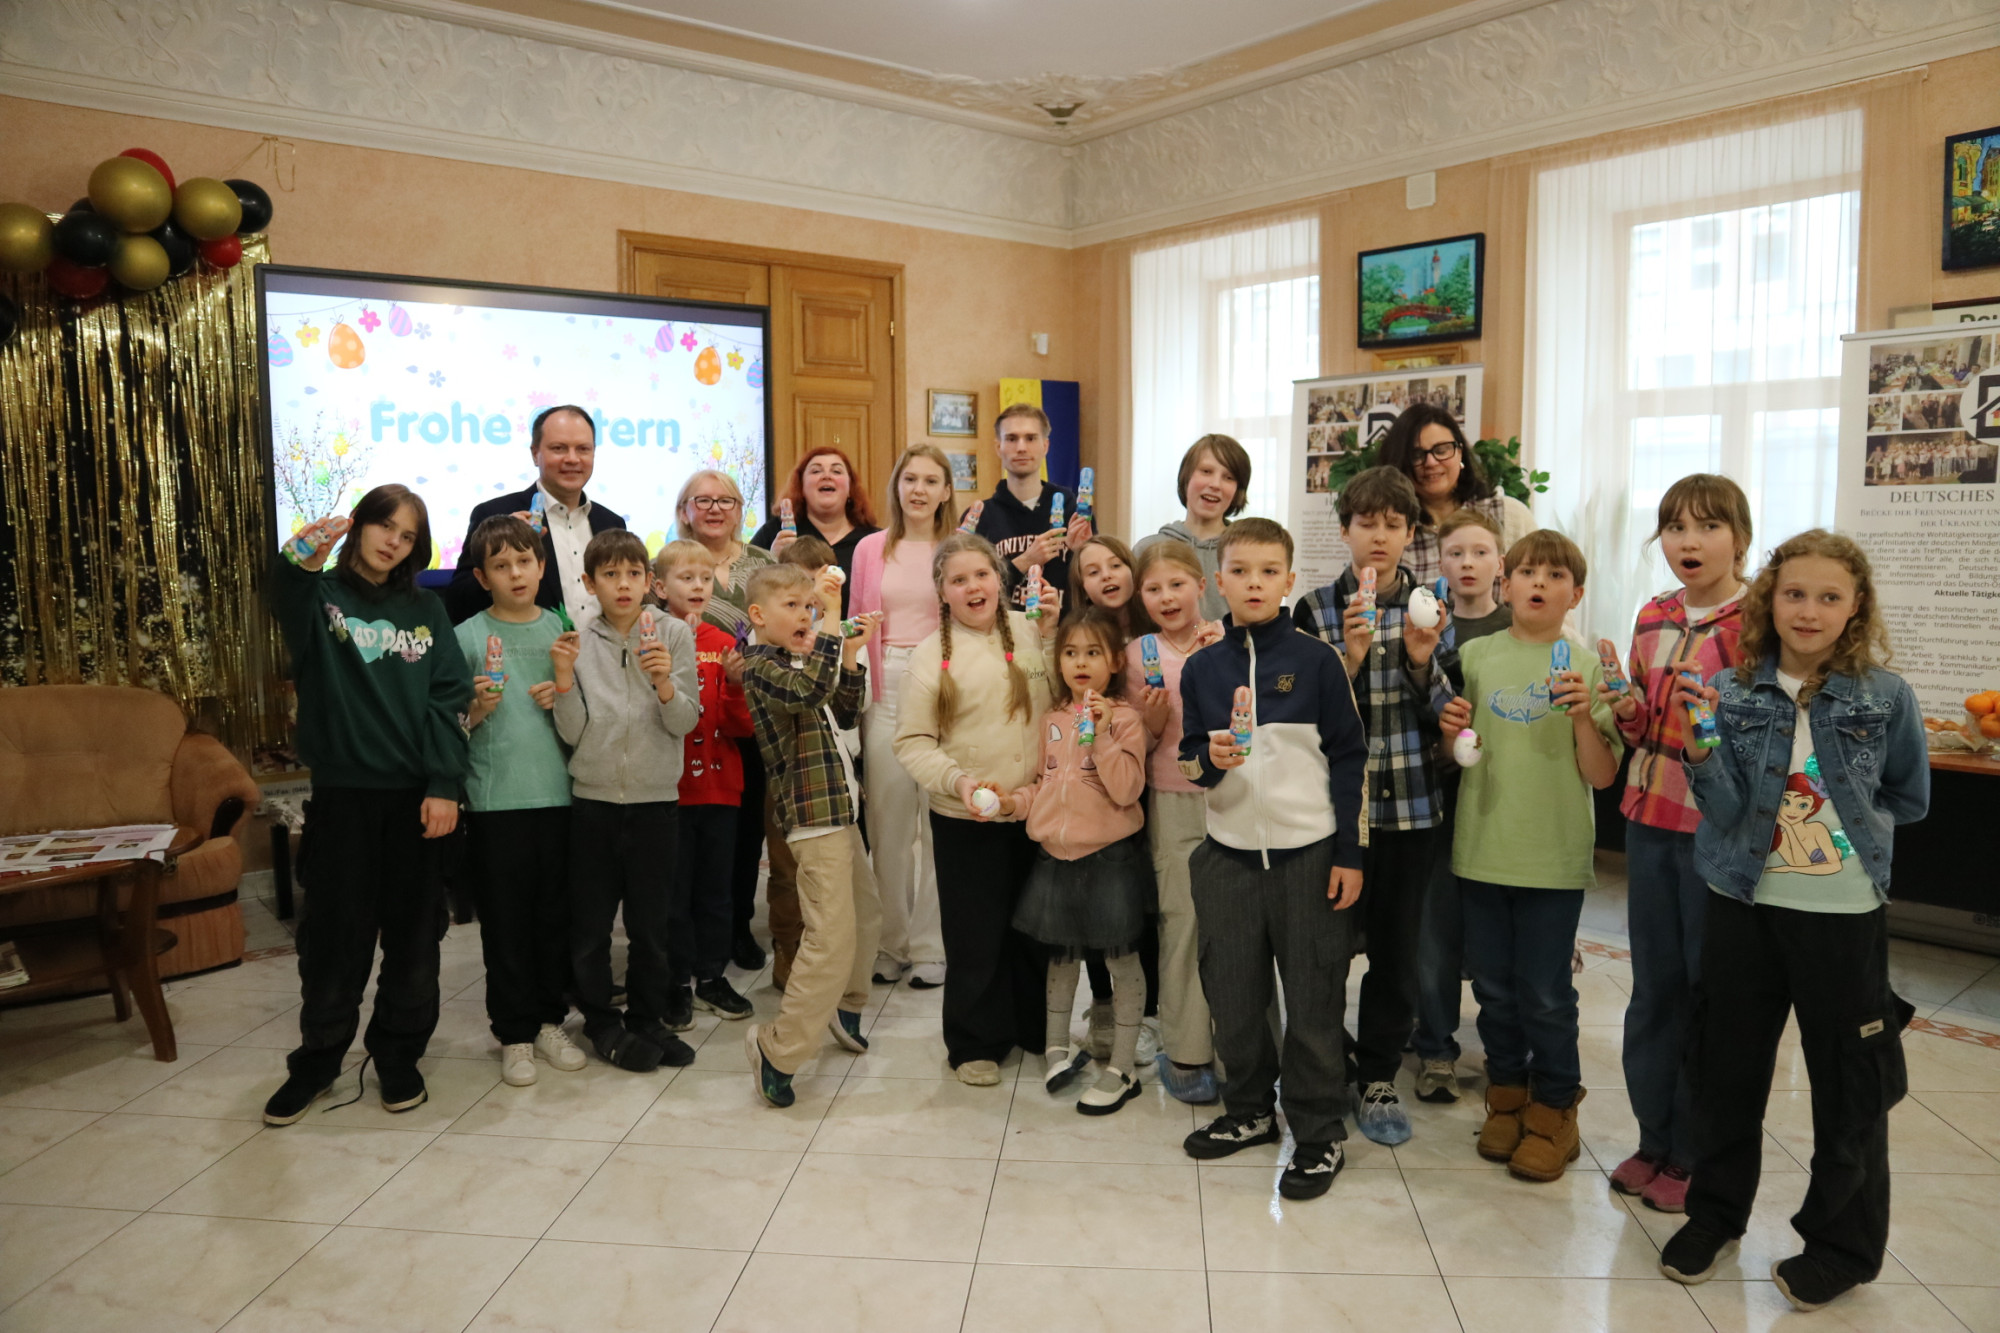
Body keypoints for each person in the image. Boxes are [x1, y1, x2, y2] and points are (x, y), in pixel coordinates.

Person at [1659, 530, 1928, 1312]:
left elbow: (1908, 796)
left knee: (1851, 1084)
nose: (1809, 611)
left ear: (1855, 607)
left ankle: (1842, 1246)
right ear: (1768, 601)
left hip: (1843, 918)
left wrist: (1849, 839)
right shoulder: (1732, 691)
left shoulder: (1886, 696)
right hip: (1743, 907)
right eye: (1794, 594)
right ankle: (1715, 1215)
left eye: (1829, 596)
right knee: (1727, 1068)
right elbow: (1726, 808)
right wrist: (1700, 749)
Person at [261, 485, 471, 1125]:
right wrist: (301, 556)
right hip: (342, 801)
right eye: (385, 527)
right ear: (360, 526)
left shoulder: (427, 609)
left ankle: (399, 1056)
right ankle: (318, 1060)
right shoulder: (320, 598)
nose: (393, 543)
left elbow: (449, 697)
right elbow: (284, 585)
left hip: (416, 802)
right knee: (333, 940)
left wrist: (443, 784)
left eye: (408, 536)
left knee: (415, 940)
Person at [1177, 518, 1368, 1202]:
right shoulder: (1201, 668)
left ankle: (1318, 1132)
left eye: (1267, 571)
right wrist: (1209, 758)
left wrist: (1349, 853)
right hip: (1227, 856)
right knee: (1234, 996)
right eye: (1240, 571)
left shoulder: (1318, 661)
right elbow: (1191, 760)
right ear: (1218, 582)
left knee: (1313, 1000)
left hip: (1309, 856)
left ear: (1288, 581)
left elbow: (1349, 758)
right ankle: (1250, 1110)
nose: (1253, 583)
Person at [1438, 530, 1623, 1183]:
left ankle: (1554, 1110)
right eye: (1526, 572)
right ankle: (1507, 1096)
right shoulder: (1476, 655)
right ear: (1506, 584)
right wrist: (1450, 734)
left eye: (1555, 575)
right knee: (1492, 989)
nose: (1539, 583)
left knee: (1544, 993)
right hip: (1482, 848)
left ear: (1577, 593)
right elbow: (1458, 750)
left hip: (1552, 857)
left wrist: (1581, 717)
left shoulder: (1588, 667)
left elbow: (1601, 775)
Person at [1292, 467, 1456, 1147]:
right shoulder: (1314, 610)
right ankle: (1326, 1062)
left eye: (1393, 525)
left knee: (1396, 950)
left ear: (1410, 533)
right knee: (1325, 949)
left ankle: (1381, 1072)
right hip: (1336, 813)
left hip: (1411, 807)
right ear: (1345, 531)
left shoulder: (1430, 606)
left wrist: (1420, 663)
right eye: (1367, 523)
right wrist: (1350, 662)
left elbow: (1445, 710)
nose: (1379, 537)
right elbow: (1302, 715)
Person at [1604, 474, 1751, 1214]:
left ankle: (1693, 1154)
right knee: (1654, 989)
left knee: (1706, 994)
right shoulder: (1654, 615)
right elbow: (1640, 723)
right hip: (1649, 818)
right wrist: (1626, 708)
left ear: (1740, 538)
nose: (1689, 542)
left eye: (1707, 526)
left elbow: (1758, 734)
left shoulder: (1758, 621)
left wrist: (1710, 725)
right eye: (1674, 527)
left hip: (1717, 830)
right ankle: (1652, 1138)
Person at [893, 533, 1059, 1086]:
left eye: (981, 575)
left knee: (1034, 929)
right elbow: (913, 742)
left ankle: (1035, 1028)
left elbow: (1059, 700)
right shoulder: (928, 656)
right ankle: (975, 1042)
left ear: (1000, 578)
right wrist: (959, 783)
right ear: (942, 592)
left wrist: (1054, 635)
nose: (973, 587)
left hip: (1034, 808)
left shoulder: (1030, 630)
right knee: (976, 933)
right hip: (967, 817)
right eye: (958, 580)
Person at [552, 529, 700, 1072]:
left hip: (655, 802)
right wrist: (563, 680)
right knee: (591, 926)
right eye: (610, 574)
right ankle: (600, 1019)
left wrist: (664, 682)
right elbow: (572, 733)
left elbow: (684, 721)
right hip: (593, 803)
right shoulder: (578, 641)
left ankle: (646, 1018)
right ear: (589, 582)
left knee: (650, 925)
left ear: (649, 581)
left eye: (633, 574)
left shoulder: (674, 633)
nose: (623, 584)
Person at [740, 563, 883, 1107]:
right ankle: (779, 1048)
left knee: (865, 915)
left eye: (809, 606)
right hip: (811, 817)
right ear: (759, 616)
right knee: (829, 937)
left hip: (840, 808)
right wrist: (830, 628)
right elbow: (805, 694)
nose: (806, 614)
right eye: (793, 606)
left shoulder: (803, 659)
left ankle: (846, 1006)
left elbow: (843, 711)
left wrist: (848, 655)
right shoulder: (760, 666)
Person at [453, 515, 588, 1086]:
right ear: (482, 577)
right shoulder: (465, 636)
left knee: (555, 917)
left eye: (525, 562)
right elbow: (447, 725)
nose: (516, 574)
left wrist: (561, 694)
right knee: (506, 923)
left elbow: (583, 714)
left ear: (541, 567)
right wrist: (476, 709)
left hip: (560, 796)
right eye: (501, 565)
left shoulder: (561, 629)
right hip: (495, 802)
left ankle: (550, 1020)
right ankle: (513, 1032)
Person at [1006, 609, 1152, 1115]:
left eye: (1092, 652)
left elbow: (1128, 789)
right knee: (1061, 958)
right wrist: (1012, 803)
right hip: (1055, 856)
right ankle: (1056, 1050)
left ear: (1114, 662)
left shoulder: (1126, 719)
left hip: (1109, 858)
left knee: (1121, 961)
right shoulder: (1052, 720)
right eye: (1070, 653)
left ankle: (1124, 1067)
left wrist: (1104, 735)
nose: (1080, 662)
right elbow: (1043, 785)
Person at [1410, 508, 1513, 1103]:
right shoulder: (1427, 628)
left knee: (1498, 930)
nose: (1468, 563)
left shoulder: (1519, 625)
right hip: (1439, 797)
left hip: (1503, 799)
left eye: (1480, 552)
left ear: (1500, 563)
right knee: (1436, 929)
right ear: (1440, 564)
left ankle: (1508, 1052)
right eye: (1456, 553)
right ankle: (1435, 1048)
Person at [849, 445, 956, 989]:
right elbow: (855, 625)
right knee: (888, 823)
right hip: (886, 684)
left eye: (930, 480)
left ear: (946, 491)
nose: (919, 489)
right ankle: (891, 943)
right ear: (896, 486)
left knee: (939, 823)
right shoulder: (870, 548)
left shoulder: (958, 547)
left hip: (946, 684)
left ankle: (933, 946)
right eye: (910, 479)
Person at [676, 469, 788, 978]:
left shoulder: (763, 562)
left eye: (726, 500)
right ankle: (692, 935)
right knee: (698, 838)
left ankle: (738, 925)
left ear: (741, 509)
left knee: (745, 832)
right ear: (685, 510)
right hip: (694, 721)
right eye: (703, 500)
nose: (715, 509)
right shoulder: (673, 563)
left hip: (756, 710)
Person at [1125, 539, 1224, 1103]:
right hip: (1170, 797)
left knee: (1234, 927)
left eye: (1177, 584)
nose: (1167, 597)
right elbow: (1129, 742)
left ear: (1201, 586)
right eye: (1154, 588)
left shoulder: (1228, 639)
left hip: (1231, 797)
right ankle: (1186, 1048)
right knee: (1181, 921)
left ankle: (1242, 1047)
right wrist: (1152, 723)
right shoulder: (1137, 654)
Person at [652, 538, 756, 1025]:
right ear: (659, 587)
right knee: (674, 893)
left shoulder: (725, 643)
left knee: (716, 891)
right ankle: (675, 982)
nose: (698, 586)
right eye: (686, 578)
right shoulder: (651, 640)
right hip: (669, 791)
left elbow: (742, 728)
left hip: (720, 789)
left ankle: (712, 976)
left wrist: (735, 686)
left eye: (705, 577)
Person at [1065, 531, 1161, 1057]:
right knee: (1096, 901)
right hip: (1096, 784)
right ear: (1081, 586)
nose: (1107, 576)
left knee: (1141, 903)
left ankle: (1147, 1014)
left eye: (1115, 564)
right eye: (1092, 570)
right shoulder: (1082, 637)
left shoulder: (1159, 630)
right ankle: (1103, 1005)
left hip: (1155, 781)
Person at [446, 404, 626, 626]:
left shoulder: (612, 523)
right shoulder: (495, 515)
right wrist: (502, 544)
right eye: (559, 448)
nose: (572, 459)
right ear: (535, 454)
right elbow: (458, 602)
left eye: (583, 449)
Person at [1370, 403, 1533, 587]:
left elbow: (1546, 589)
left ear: (1460, 453)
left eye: (1441, 450)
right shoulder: (1391, 529)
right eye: (1417, 455)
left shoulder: (1509, 515)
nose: (1431, 462)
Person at [974, 403, 1092, 611]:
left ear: (1045, 446)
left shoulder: (1072, 508)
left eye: (1030, 438)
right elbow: (973, 591)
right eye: (1012, 439)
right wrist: (1026, 560)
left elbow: (1093, 582)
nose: (1021, 447)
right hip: (1003, 629)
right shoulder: (980, 516)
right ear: (998, 447)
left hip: (1065, 629)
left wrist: (1083, 553)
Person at [1134, 433, 1255, 622]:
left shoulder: (1246, 552)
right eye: (1206, 471)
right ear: (1186, 477)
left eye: (1228, 477)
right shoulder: (1147, 549)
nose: (1215, 484)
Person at [747, 446, 880, 611]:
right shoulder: (776, 531)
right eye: (816, 471)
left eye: (836, 471)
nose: (826, 476)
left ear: (850, 488)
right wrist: (771, 560)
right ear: (801, 487)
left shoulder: (873, 540)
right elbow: (745, 587)